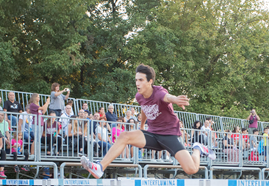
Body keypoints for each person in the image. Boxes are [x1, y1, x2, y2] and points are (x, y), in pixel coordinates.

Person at [81, 64, 215, 178]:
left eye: (141, 80)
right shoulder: (139, 96)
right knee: (124, 136)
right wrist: (142, 125)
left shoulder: (158, 92)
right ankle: (100, 167)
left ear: (150, 81)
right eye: (136, 80)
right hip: (153, 135)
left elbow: (167, 97)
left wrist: (176, 100)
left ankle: (198, 148)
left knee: (191, 169)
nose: (137, 83)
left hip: (169, 136)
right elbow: (144, 108)